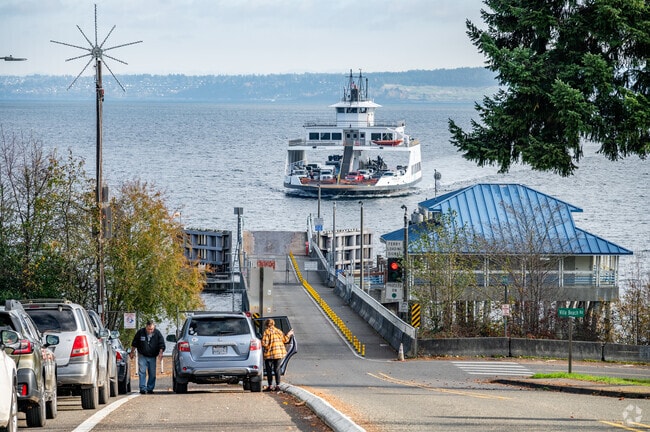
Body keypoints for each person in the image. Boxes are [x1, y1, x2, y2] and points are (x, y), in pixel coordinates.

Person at [130, 320, 165, 394]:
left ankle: (150, 388)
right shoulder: (140, 332)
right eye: (149, 329)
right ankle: (142, 388)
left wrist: (161, 352)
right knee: (142, 372)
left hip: (152, 356)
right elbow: (135, 343)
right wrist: (132, 352)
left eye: (152, 329)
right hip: (142, 355)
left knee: (152, 373)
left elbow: (161, 343)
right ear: (146, 327)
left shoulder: (157, 333)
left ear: (154, 327)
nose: (150, 331)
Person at [261, 318, 294, 391]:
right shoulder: (278, 331)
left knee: (269, 370)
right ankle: (278, 385)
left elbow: (265, 343)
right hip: (279, 353)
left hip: (269, 354)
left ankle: (270, 386)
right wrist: (289, 334)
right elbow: (285, 340)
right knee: (277, 369)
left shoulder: (266, 332)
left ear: (266, 325)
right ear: (273, 324)